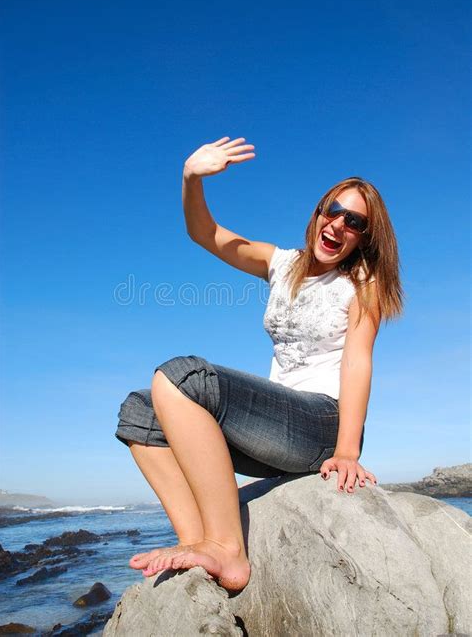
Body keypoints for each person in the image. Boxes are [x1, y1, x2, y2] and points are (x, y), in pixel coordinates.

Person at [114, 136, 404, 591]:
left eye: (355, 222)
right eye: (333, 211)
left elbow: (357, 362)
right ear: (318, 214)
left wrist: (347, 451)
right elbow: (204, 233)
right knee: (139, 413)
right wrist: (191, 177)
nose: (339, 225)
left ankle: (230, 550)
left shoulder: (361, 283)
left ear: (364, 238)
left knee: (183, 377)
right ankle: (200, 543)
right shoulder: (281, 264)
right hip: (277, 429)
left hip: (321, 422)